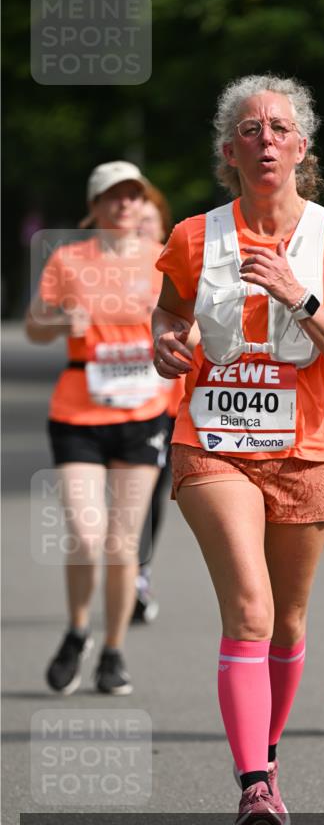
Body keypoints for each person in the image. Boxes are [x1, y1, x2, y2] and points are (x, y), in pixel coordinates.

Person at [151, 74, 324, 825]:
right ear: (229, 150)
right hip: (212, 444)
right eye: (250, 129)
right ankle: (254, 787)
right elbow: (168, 317)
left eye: (280, 127)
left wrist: (299, 296)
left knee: (286, 623)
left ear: (302, 147)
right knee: (247, 608)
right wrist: (165, 345)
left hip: (308, 452)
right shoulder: (193, 236)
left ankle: (268, 758)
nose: (266, 139)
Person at [25, 161, 171, 696]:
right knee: (87, 536)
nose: (125, 205)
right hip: (79, 413)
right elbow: (36, 326)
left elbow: (188, 322)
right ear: (96, 206)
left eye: (134, 196)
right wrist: (65, 322)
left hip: (142, 413)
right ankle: (76, 630)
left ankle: (113, 652)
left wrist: (181, 335)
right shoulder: (68, 259)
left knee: (121, 541)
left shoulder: (162, 259)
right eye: (113, 197)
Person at [132, 183, 188, 623]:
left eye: (149, 220)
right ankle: (127, 569)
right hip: (119, 396)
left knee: (152, 489)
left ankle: (140, 570)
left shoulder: (171, 265)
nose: (141, 226)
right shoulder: (110, 267)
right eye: (137, 220)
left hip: (168, 399)